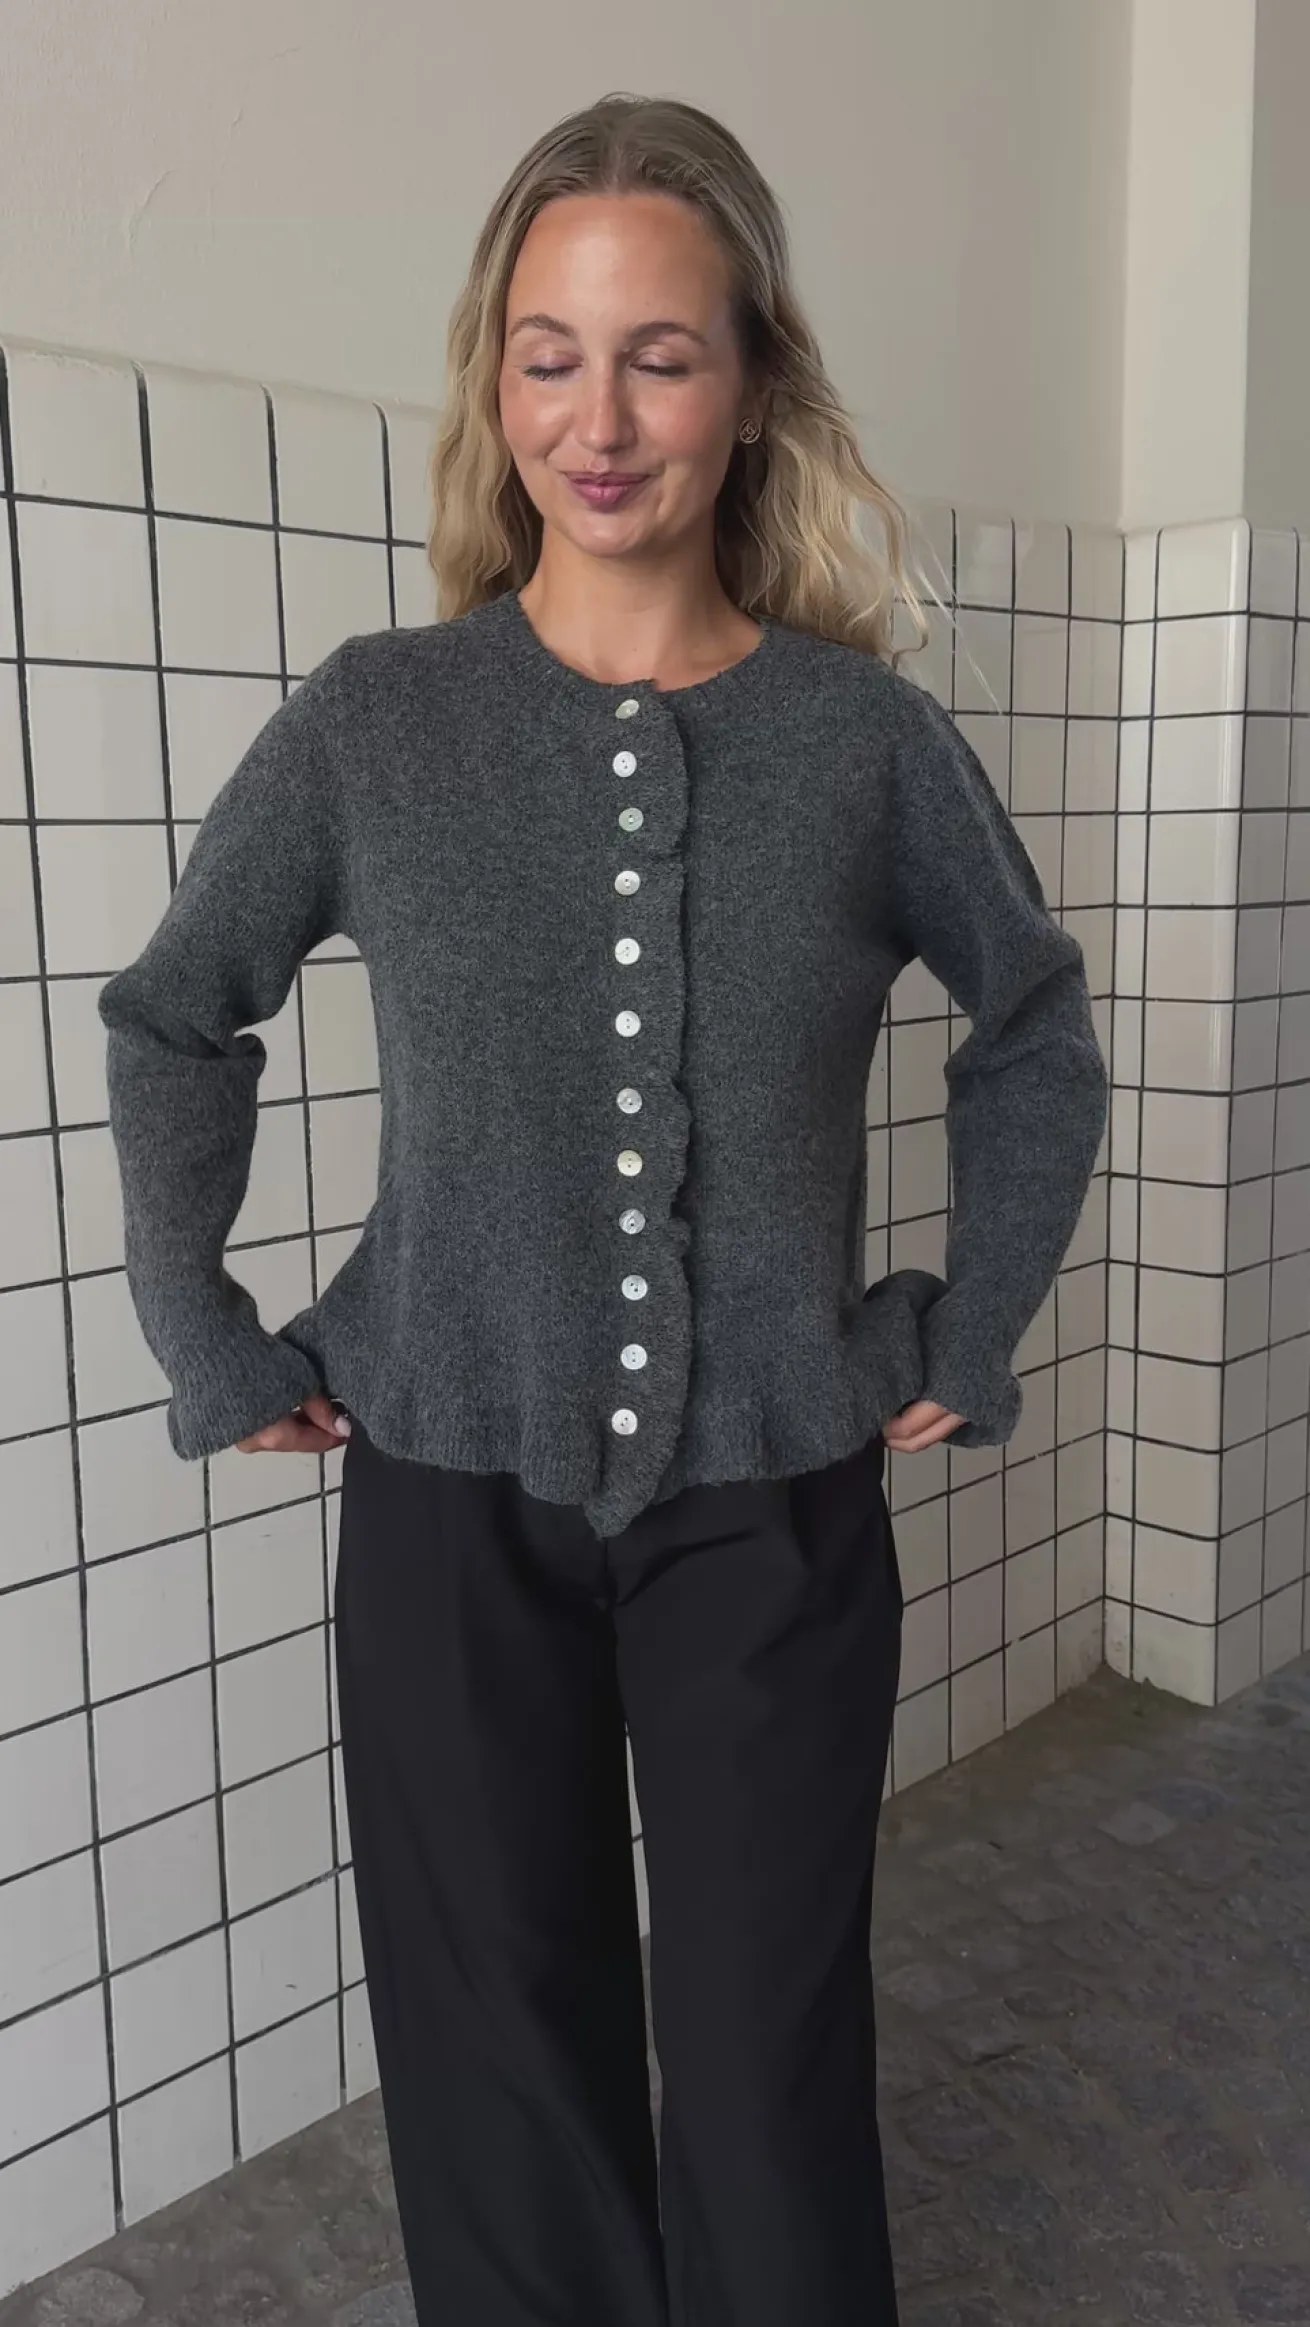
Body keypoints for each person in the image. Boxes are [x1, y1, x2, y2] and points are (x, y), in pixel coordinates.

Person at [98, 90, 1108, 2327]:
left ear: (751, 380)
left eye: (659, 354)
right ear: (494, 378)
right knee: (494, 2052)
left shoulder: (861, 742)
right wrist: (206, 1332)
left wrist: (974, 1323)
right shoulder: (381, 721)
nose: (600, 416)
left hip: (774, 1496)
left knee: (764, 2056)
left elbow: (1033, 1026)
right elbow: (175, 1015)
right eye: (548, 354)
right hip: (449, 1486)